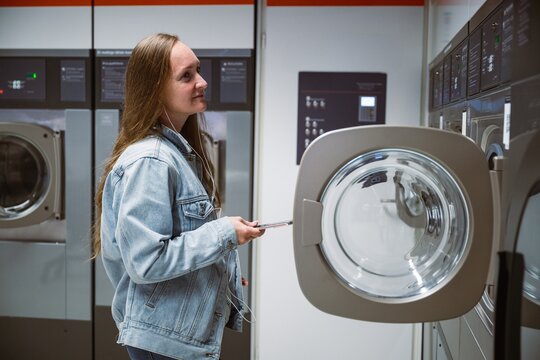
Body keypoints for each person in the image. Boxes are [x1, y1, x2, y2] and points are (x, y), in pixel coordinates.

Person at [92, 33, 265, 360]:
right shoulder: (151, 161)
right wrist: (224, 233)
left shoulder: (176, 154)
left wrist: (213, 274)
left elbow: (174, 244)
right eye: (186, 76)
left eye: (198, 70)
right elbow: (147, 261)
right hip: (162, 340)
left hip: (171, 333)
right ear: (155, 90)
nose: (201, 81)